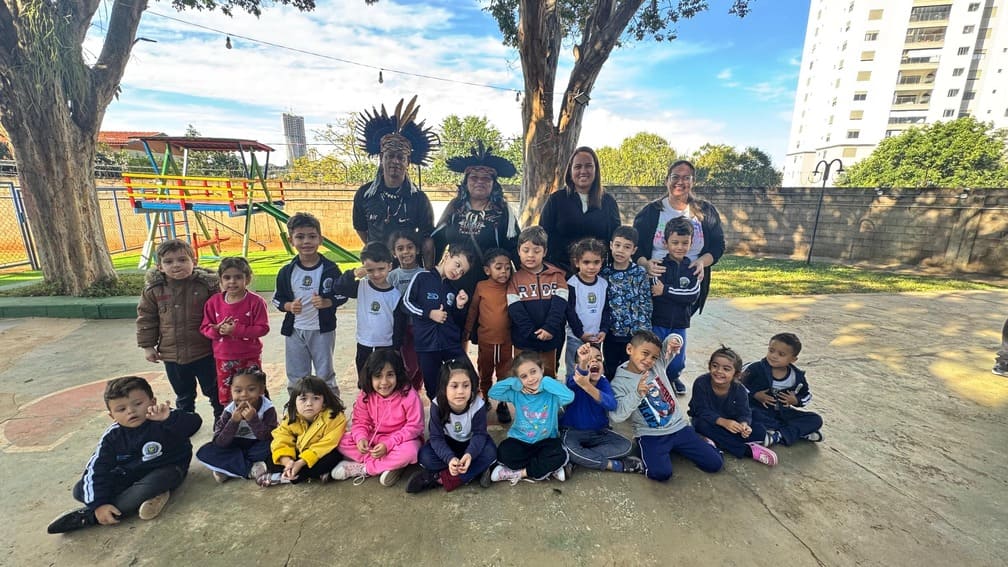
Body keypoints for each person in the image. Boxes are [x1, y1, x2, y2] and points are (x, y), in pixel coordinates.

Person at [47, 376, 202, 533]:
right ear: (112, 416)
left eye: (138, 404)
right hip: (130, 474)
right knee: (80, 489)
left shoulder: (164, 416)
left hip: (168, 468)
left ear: (152, 402)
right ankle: (137, 501)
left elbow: (195, 424)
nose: (131, 411)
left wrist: (169, 419)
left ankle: (91, 517)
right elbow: (97, 467)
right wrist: (99, 504)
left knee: (153, 484)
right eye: (121, 409)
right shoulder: (112, 436)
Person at [609, 330, 723, 482]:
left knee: (715, 463)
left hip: (679, 427)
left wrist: (675, 340)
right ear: (630, 349)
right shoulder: (619, 382)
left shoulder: (657, 365)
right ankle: (652, 454)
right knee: (660, 473)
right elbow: (617, 416)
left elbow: (671, 339)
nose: (649, 360)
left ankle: (701, 441)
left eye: (654, 357)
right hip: (651, 435)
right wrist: (637, 394)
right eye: (645, 353)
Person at [137, 238, 223, 419]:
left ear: (194, 261)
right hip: (172, 355)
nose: (176, 265)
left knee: (215, 391)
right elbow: (147, 318)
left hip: (205, 352)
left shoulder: (207, 286)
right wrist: (148, 346)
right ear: (160, 267)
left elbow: (221, 312)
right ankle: (186, 421)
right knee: (184, 394)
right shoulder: (154, 290)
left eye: (183, 260)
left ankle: (222, 420)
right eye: (168, 262)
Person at [352, 96, 439, 266]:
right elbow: (360, 227)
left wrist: (426, 272)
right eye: (390, 156)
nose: (395, 161)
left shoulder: (419, 198)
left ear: (408, 162)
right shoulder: (365, 194)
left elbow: (426, 236)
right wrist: (376, 250)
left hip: (408, 268)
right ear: (381, 158)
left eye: (401, 157)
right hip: (377, 268)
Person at [633, 159, 725, 316]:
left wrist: (702, 262)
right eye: (675, 177)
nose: (680, 182)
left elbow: (718, 246)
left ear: (693, 181)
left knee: (677, 333)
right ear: (667, 180)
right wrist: (646, 264)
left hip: (688, 286)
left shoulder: (705, 211)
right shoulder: (651, 212)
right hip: (656, 285)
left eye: (686, 177)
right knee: (653, 332)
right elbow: (635, 247)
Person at [272, 212, 349, 398]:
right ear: (291, 240)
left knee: (325, 374)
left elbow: (342, 293)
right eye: (300, 237)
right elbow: (277, 299)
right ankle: (297, 410)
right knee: (297, 375)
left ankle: (333, 410)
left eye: (312, 236)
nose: (306, 241)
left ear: (320, 239)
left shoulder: (330, 268)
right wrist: (288, 306)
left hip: (322, 330)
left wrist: (328, 302)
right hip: (295, 330)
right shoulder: (287, 271)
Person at [432, 141, 520, 296]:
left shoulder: (502, 212)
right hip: (452, 285)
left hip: (489, 289)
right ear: (466, 182)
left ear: (494, 184)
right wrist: (431, 275)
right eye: (474, 177)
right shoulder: (454, 207)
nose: (480, 182)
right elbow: (437, 242)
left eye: (486, 178)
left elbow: (514, 248)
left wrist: (526, 277)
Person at [333, 349, 424, 487]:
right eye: (378, 376)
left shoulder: (409, 395)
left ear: (398, 375)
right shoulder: (365, 395)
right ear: (370, 377)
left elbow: (415, 427)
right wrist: (361, 439)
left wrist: (389, 445)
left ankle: (364, 469)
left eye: (390, 375)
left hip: (401, 441)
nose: (384, 382)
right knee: (341, 440)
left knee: (411, 451)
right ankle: (389, 465)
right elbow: (360, 422)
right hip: (374, 440)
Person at [482, 352, 575, 485]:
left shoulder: (551, 393)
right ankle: (547, 468)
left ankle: (519, 473)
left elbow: (569, 396)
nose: (531, 379)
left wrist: (546, 382)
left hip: (546, 441)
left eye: (533, 372)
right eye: (523, 376)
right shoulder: (516, 394)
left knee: (559, 454)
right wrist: (515, 383)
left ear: (541, 369)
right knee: (504, 451)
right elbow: (493, 393)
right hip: (520, 441)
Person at [406, 359, 498, 493]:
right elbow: (436, 438)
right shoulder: (437, 405)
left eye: (466, 385)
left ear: (472, 386)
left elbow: (480, 434)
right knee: (424, 456)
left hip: (472, 445)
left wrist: (470, 454)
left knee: (491, 453)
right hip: (448, 444)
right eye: (454, 386)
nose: (460, 391)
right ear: (444, 388)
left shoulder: (478, 405)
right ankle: (475, 472)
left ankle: (439, 478)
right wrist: (449, 458)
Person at [402, 242, 477, 398]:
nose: (457, 272)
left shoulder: (453, 288)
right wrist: (429, 313)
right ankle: (440, 419)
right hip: (427, 346)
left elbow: (456, 319)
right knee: (434, 389)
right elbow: (406, 303)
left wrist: (459, 306)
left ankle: (464, 415)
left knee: (471, 378)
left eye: (462, 271)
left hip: (450, 344)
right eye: (457, 265)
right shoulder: (422, 277)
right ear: (447, 256)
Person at [688, 346, 778, 466]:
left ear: (736, 374)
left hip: (730, 423)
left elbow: (744, 412)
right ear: (709, 366)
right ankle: (747, 450)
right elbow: (699, 410)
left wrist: (744, 425)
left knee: (759, 431)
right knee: (700, 425)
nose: (719, 371)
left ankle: (715, 441)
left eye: (726, 369)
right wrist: (723, 422)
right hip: (707, 420)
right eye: (715, 366)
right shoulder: (701, 383)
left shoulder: (739, 389)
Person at [560, 343, 642, 474]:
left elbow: (611, 404)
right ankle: (616, 465)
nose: (594, 361)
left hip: (599, 433)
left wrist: (588, 386)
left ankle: (578, 458)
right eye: (588, 359)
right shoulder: (574, 380)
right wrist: (582, 366)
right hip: (573, 432)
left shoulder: (603, 383)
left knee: (626, 447)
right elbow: (574, 381)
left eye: (598, 359)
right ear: (576, 367)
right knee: (570, 446)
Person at [539, 146, 621, 274]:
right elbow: (543, 236)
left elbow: (616, 239)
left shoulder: (608, 202)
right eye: (578, 167)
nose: (583, 171)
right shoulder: (556, 200)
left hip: (597, 274)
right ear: (570, 171)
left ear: (596, 170)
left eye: (588, 166)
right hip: (561, 274)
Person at [200, 257, 270, 405]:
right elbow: (205, 328)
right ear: (220, 280)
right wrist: (216, 330)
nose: (232, 281)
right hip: (223, 356)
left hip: (250, 355)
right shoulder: (213, 302)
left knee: (254, 389)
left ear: (248, 279)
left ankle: (260, 419)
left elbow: (263, 328)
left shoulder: (256, 302)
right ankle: (231, 420)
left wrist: (236, 330)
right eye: (227, 277)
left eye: (238, 277)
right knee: (227, 391)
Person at [196, 366, 279, 482]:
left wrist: (253, 420)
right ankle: (250, 469)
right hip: (234, 446)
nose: (244, 395)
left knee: (274, 445)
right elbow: (220, 443)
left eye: (251, 389)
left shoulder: (267, 408)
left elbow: (269, 436)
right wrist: (233, 421)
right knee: (204, 452)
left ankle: (228, 467)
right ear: (231, 391)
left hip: (256, 446)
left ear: (261, 390)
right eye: (238, 391)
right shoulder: (228, 411)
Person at [260, 375, 347, 487]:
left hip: (317, 455)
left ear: (324, 401)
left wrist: (301, 462)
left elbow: (327, 444)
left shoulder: (334, 417)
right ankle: (304, 474)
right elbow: (281, 439)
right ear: (294, 402)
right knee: (270, 455)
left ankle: (287, 477)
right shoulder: (291, 417)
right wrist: (288, 462)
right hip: (297, 455)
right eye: (303, 399)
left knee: (333, 457)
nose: (309, 403)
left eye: (315, 398)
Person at [507, 226, 569, 379]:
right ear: (518, 251)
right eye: (526, 250)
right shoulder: (514, 279)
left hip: (550, 337)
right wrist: (530, 332)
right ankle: (524, 403)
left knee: (548, 375)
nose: (530, 255)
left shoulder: (557, 276)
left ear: (545, 252)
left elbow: (559, 307)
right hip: (524, 339)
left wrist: (549, 328)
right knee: (523, 375)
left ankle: (548, 403)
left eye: (536, 251)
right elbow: (515, 309)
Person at [742, 333, 824, 446]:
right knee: (749, 415)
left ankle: (777, 435)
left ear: (793, 359)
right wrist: (754, 394)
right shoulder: (755, 368)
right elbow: (735, 383)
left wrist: (796, 400)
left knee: (815, 419)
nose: (774, 356)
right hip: (756, 409)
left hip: (782, 413)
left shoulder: (796, 377)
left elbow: (806, 395)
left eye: (781, 354)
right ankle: (797, 433)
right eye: (771, 351)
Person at [650, 217, 701, 395]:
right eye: (675, 242)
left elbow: (693, 294)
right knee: (655, 355)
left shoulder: (693, 268)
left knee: (677, 359)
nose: (680, 247)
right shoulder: (658, 266)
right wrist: (669, 293)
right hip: (658, 322)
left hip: (680, 324)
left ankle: (672, 378)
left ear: (691, 243)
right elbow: (655, 290)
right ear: (665, 243)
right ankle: (655, 383)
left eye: (685, 243)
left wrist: (666, 291)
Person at [463, 247, 514, 423]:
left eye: (507, 267)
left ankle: (502, 403)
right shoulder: (481, 286)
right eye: (498, 267)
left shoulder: (512, 286)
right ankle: (484, 398)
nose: (504, 272)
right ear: (487, 270)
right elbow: (473, 310)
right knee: (484, 371)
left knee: (504, 373)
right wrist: (467, 331)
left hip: (506, 341)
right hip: (485, 340)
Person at [336, 242, 401, 378]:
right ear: (364, 268)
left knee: (384, 378)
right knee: (365, 379)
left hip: (386, 346)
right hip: (364, 344)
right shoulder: (361, 286)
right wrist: (353, 273)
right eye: (370, 270)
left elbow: (399, 325)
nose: (376, 274)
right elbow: (338, 287)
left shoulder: (395, 294)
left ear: (389, 266)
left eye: (381, 269)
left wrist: (396, 348)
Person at [601, 225, 652, 379]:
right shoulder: (604, 273)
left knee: (631, 369)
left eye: (626, 247)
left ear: (634, 250)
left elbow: (646, 303)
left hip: (633, 334)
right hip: (611, 333)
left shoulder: (639, 273)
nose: (620, 250)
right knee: (610, 368)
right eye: (617, 245)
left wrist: (644, 332)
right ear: (611, 245)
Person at [564, 237, 611, 375]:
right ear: (577, 262)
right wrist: (580, 334)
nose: (591, 266)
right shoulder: (572, 284)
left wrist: (604, 330)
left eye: (596, 262)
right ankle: (573, 396)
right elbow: (570, 312)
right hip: (576, 338)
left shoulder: (603, 284)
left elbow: (606, 310)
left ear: (602, 262)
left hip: (596, 338)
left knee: (593, 370)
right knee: (575, 370)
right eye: (586, 262)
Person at [387, 230, 426, 390]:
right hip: (401, 329)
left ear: (417, 250)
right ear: (394, 253)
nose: (405, 252)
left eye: (409, 247)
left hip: (420, 327)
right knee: (408, 365)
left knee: (422, 364)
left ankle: (414, 393)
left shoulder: (424, 275)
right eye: (400, 248)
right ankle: (404, 393)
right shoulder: (392, 276)